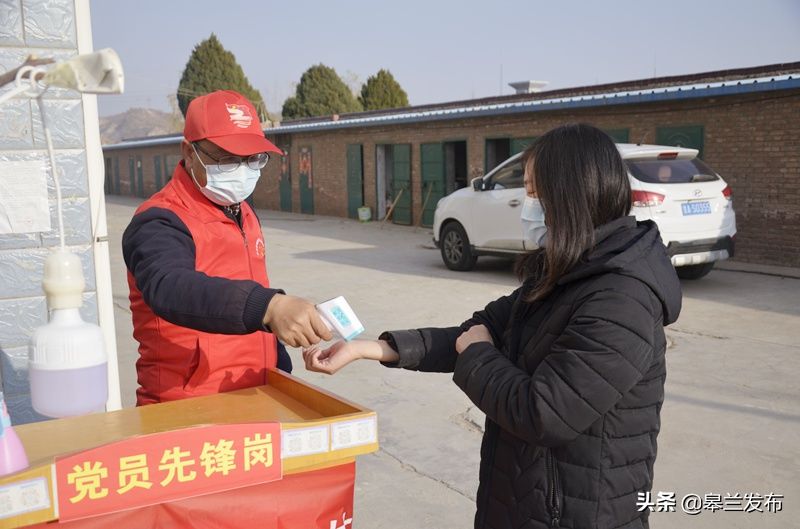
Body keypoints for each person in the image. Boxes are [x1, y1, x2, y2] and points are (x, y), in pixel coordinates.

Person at [305, 124, 682, 529]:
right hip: (523, 503)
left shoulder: (622, 298)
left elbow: (544, 413)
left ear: (573, 193)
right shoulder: (566, 270)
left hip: (578, 515)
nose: (527, 203)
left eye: (536, 191)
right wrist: (373, 348)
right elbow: (478, 331)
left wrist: (480, 354)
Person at [123, 90, 331, 405]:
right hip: (188, 404)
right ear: (189, 152)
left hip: (254, 393)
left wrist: (279, 361)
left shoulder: (243, 210)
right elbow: (168, 285)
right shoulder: (159, 221)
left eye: (253, 159)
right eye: (227, 158)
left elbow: (251, 286)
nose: (243, 170)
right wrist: (268, 306)